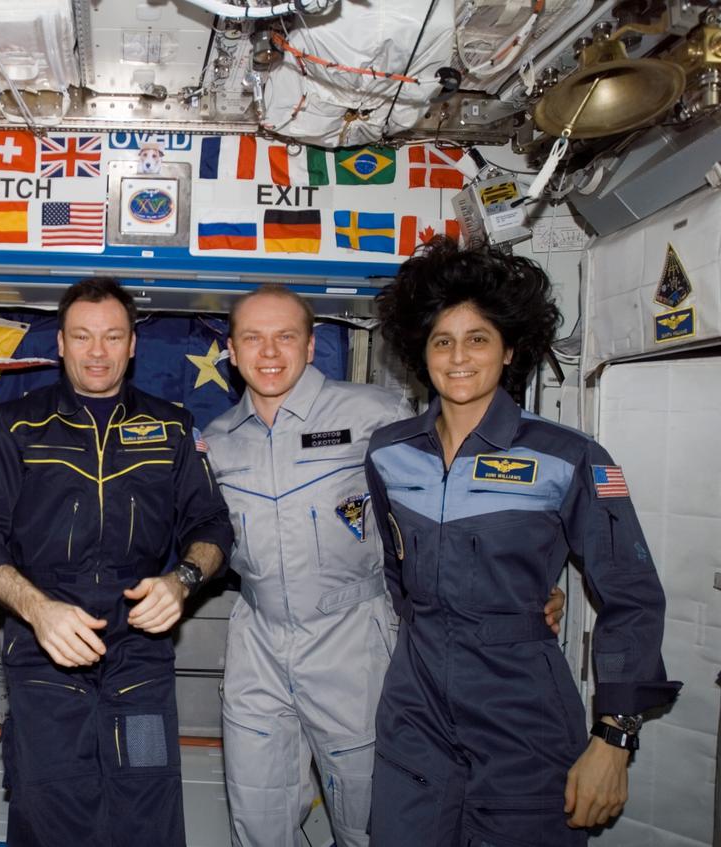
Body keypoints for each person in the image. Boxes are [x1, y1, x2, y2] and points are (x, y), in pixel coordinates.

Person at [205, 285, 565, 847]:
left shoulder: (375, 415)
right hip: (258, 642)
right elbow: (200, 533)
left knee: (370, 816)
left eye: (285, 337)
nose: (269, 352)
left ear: (310, 344)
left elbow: (451, 508)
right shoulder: (218, 440)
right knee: (257, 814)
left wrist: (520, 588)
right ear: (230, 349)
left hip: (353, 641)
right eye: (253, 338)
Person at [364, 239, 681, 845]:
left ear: (509, 349)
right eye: (442, 340)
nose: (459, 356)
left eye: (477, 338)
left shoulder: (568, 458)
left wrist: (613, 738)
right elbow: (397, 570)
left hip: (522, 708)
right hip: (416, 702)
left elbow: (632, 597)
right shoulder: (389, 453)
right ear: (421, 353)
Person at [0, 277, 234, 846]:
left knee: (145, 804)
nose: (98, 351)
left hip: (140, 653)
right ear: (60, 343)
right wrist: (38, 610)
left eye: (112, 336)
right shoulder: (14, 425)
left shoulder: (172, 427)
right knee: (51, 806)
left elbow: (212, 526)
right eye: (83, 336)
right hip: (43, 652)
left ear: (133, 345)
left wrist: (182, 582)